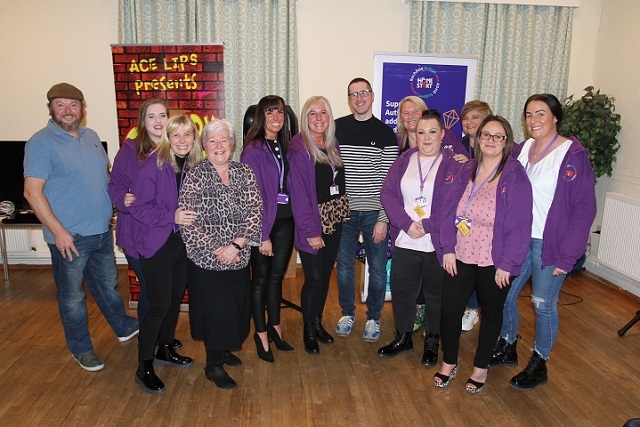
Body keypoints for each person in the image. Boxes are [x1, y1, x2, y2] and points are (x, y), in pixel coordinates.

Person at [23, 83, 139, 372]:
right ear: (50, 108)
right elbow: (31, 192)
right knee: (72, 297)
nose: (67, 110)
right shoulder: (41, 142)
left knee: (106, 286)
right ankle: (81, 348)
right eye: (60, 104)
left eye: (73, 104)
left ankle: (123, 326)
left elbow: (102, 177)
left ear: (81, 109)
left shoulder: (91, 136)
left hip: (100, 231)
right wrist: (58, 232)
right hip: (69, 236)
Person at [492, 94, 596, 391]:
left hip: (548, 244)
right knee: (504, 296)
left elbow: (584, 209)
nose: (533, 120)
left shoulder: (571, 155)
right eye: (528, 114)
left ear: (555, 118)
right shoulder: (522, 150)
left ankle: (539, 363)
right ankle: (508, 345)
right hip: (518, 240)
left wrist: (568, 257)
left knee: (542, 303)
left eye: (540, 114)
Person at [434, 116, 533, 394]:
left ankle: (480, 367)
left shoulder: (514, 176)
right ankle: (449, 361)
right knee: (450, 310)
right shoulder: (467, 169)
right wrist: (448, 249)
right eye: (485, 135)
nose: (490, 140)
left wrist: (508, 264)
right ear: (477, 140)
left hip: (494, 260)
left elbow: (520, 225)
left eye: (497, 136)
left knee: (491, 313)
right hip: (461, 254)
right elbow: (447, 211)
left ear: (506, 141)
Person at [180, 119, 262, 389]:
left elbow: (255, 212)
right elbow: (188, 224)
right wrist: (219, 249)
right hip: (207, 261)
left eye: (224, 140)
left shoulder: (244, 172)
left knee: (238, 310)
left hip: (238, 257)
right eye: (212, 141)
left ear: (232, 144)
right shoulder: (195, 175)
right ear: (204, 147)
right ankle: (213, 365)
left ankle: (226, 350)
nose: (218, 146)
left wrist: (236, 246)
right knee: (217, 314)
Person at [378, 111, 463, 365]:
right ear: (414, 135)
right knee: (403, 292)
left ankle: (432, 343)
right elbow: (388, 194)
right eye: (421, 132)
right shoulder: (404, 160)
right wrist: (406, 223)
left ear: (442, 134)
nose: (426, 138)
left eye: (432, 132)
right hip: (406, 240)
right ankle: (403, 337)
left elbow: (454, 205)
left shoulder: (454, 165)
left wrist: (426, 224)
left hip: (436, 242)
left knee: (436, 296)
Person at [128, 114, 201, 394]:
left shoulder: (193, 166)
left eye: (187, 135)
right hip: (156, 243)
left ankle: (165, 348)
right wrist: (172, 216)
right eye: (176, 135)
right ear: (168, 139)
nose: (182, 141)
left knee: (172, 301)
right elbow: (137, 207)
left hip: (181, 243)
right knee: (158, 305)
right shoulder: (153, 166)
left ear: (194, 139)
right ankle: (143, 365)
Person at [108, 99, 183, 351]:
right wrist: (123, 199)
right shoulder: (130, 151)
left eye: (162, 115)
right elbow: (114, 185)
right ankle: (148, 343)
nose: (158, 121)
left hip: (164, 234)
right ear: (143, 121)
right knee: (152, 291)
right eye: (152, 116)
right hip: (137, 233)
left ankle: (160, 339)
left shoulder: (174, 148)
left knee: (162, 293)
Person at [334, 77, 398, 342]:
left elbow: (389, 180)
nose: (358, 98)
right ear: (348, 99)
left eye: (363, 93)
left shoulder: (385, 133)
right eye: (353, 94)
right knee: (344, 267)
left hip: (375, 214)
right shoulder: (336, 129)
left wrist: (384, 218)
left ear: (372, 96)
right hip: (345, 213)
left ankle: (373, 318)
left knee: (378, 267)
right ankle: (347, 313)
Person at [288, 96, 350, 354]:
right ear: (305, 118)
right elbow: (300, 194)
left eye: (323, 112)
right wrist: (311, 232)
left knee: (325, 276)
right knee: (313, 277)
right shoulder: (299, 148)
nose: (318, 118)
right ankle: (308, 328)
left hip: (333, 217)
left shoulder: (332, 142)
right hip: (312, 221)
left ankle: (317, 321)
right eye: (312, 113)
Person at [240, 95, 295, 363]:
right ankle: (260, 332)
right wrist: (261, 236)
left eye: (280, 113)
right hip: (264, 225)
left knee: (276, 278)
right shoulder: (252, 149)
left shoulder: (285, 145)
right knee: (260, 280)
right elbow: (251, 196)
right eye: (270, 113)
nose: (276, 117)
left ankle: (275, 326)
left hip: (285, 221)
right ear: (261, 116)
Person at [458, 100, 493, 332]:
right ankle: (465, 305)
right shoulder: (456, 145)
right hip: (461, 217)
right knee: (464, 263)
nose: (469, 122)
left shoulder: (494, 148)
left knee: (481, 265)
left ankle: (474, 308)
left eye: (475, 117)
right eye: (466, 118)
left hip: (485, 220)